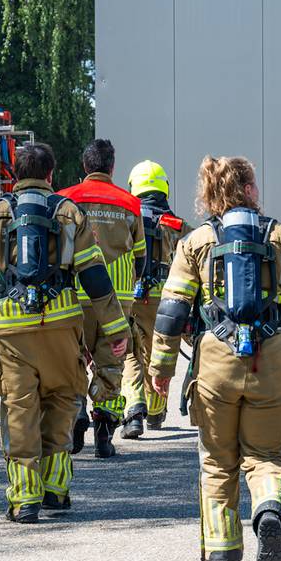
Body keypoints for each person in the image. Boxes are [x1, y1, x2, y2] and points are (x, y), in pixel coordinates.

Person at [0, 142, 129, 523]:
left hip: (11, 331)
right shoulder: (70, 214)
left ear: (14, 175)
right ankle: (56, 490)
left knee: (19, 409)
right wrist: (116, 328)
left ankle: (25, 498)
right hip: (62, 324)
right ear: (51, 175)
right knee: (61, 401)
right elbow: (94, 277)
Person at [148, 156, 281, 561]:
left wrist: (161, 369)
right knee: (266, 454)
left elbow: (171, 312)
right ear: (248, 189)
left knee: (218, 462)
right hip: (272, 358)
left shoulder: (195, 241)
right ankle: (269, 514)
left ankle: (223, 555)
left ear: (211, 193)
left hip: (215, 363)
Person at [58, 139, 145, 458]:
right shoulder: (130, 204)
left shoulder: (63, 200)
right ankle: (105, 435)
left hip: (72, 298)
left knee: (74, 359)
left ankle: (78, 408)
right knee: (111, 364)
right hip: (117, 300)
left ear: (84, 166)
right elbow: (140, 257)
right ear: (112, 167)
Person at [120, 160, 193, 440]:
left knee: (129, 351)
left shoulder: (127, 219)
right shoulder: (178, 225)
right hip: (167, 299)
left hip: (131, 294)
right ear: (164, 187)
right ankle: (155, 411)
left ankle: (134, 407)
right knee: (159, 351)